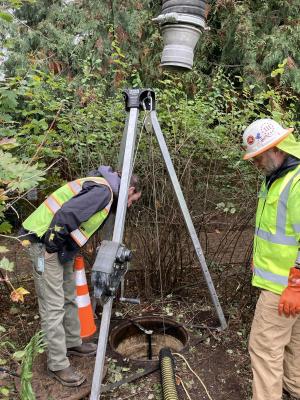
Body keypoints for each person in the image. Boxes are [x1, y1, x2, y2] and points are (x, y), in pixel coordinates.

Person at [20, 166, 141, 387]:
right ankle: (57, 364)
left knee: (68, 295)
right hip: (44, 242)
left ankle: (73, 342)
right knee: (53, 305)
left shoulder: (103, 189)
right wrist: (51, 247)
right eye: (133, 199)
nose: (130, 204)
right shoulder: (104, 192)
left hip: (59, 245)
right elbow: (66, 215)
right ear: (130, 189)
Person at [242, 118, 300, 400]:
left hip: (285, 288)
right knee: (295, 346)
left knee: (264, 349)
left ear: (276, 149)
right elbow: (275, 231)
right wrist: (258, 256)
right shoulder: (276, 179)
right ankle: (293, 390)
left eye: (258, 158)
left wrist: (296, 285)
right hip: (286, 285)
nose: (256, 165)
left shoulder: (296, 182)